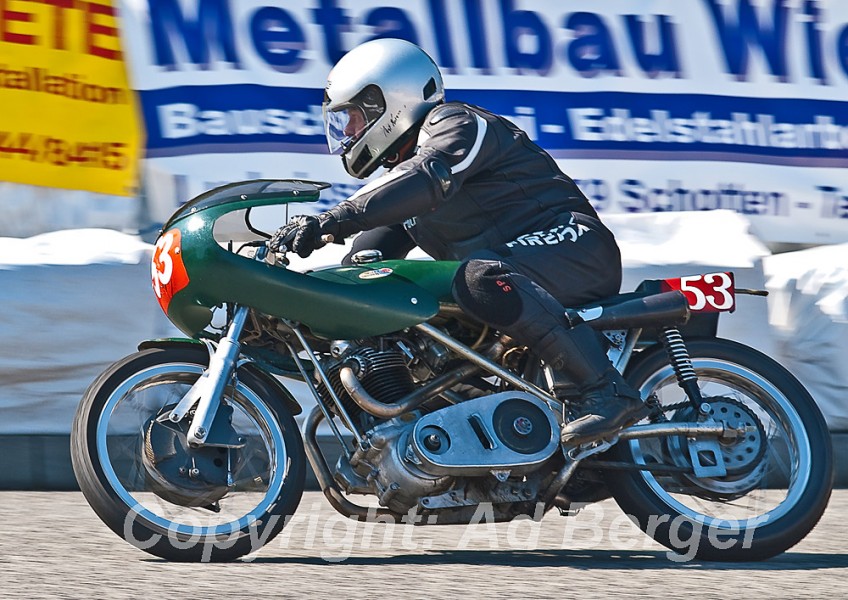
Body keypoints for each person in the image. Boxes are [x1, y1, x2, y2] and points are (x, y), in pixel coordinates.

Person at [270, 38, 647, 445]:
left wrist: (331, 218)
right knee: (393, 303)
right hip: (515, 275)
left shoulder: (456, 125)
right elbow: (364, 262)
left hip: (575, 248)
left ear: (390, 103)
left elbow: (427, 176)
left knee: (478, 276)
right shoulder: (404, 186)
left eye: (356, 117)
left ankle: (605, 391)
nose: (349, 131)